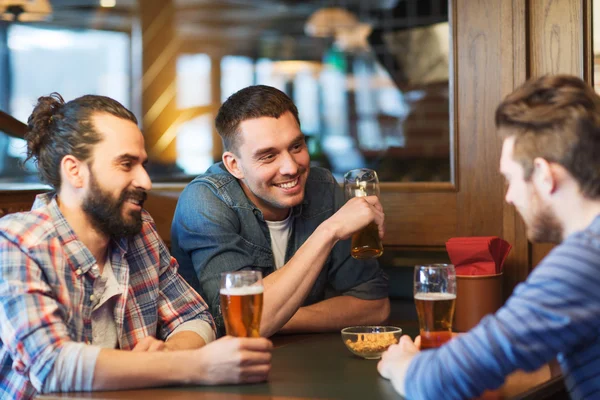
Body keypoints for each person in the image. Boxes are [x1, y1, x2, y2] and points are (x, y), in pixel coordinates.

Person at [0, 93, 272, 399]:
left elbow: (195, 316)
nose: (145, 180)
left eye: (142, 164)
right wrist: (194, 365)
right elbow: (51, 365)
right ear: (74, 170)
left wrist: (169, 351)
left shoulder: (138, 230)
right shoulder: (18, 241)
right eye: (126, 164)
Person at [377, 75, 600, 399]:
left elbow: (436, 382)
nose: (509, 197)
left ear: (543, 174)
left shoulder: (583, 261)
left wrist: (402, 363)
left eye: (510, 179)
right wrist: (472, 349)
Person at [171, 85, 390, 337]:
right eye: (268, 156)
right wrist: (329, 231)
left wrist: (276, 315)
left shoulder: (322, 189)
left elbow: (374, 305)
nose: (291, 167)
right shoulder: (204, 202)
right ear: (234, 165)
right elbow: (240, 324)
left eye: (296, 147)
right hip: (223, 367)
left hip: (302, 362)